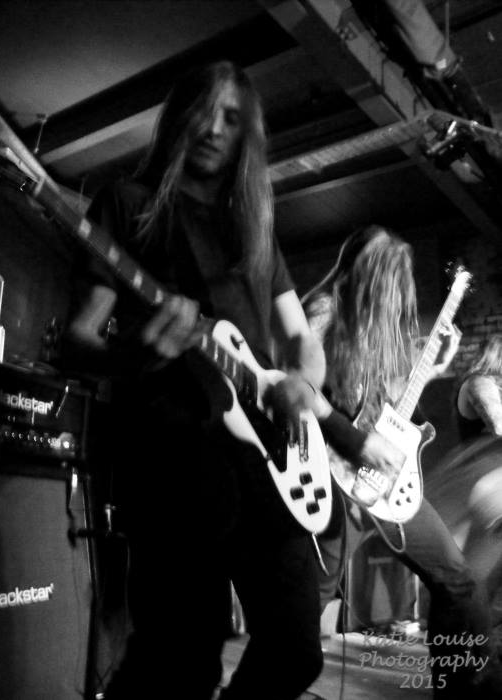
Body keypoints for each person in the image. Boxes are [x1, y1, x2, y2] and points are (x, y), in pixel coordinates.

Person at [63, 62, 401, 700]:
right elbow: (76, 341)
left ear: (248, 133)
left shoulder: (251, 228)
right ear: (178, 116)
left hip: (265, 457)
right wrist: (137, 352)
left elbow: (299, 338)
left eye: (231, 117)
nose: (214, 129)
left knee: (296, 651)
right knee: (178, 661)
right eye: (203, 112)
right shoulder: (128, 204)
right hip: (174, 458)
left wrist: (304, 382)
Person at [303, 224, 502, 698]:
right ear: (364, 272)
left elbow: (387, 404)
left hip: (392, 481)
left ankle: (462, 689)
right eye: (391, 281)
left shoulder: (377, 329)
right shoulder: (324, 311)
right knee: (308, 600)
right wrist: (353, 441)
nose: (396, 297)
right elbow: (300, 387)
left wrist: (433, 368)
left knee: (458, 583)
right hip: (338, 474)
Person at [427, 335, 502, 629]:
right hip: (476, 481)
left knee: (480, 576)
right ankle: (463, 639)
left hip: (488, 482)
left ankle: (476, 638)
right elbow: (498, 424)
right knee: (470, 577)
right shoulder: (479, 383)